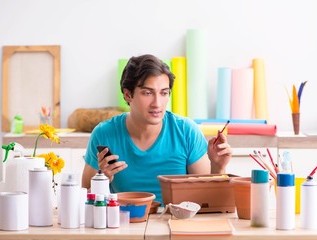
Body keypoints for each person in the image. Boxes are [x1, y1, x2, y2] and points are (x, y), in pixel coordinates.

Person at [81, 54, 232, 204]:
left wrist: (218, 168)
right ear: (127, 95)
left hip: (176, 223)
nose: (157, 103)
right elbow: (84, 200)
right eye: (148, 93)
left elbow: (208, 200)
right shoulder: (104, 134)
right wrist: (101, 181)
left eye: (164, 93)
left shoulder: (187, 132)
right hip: (126, 222)